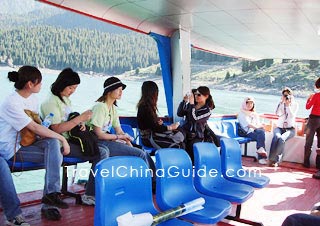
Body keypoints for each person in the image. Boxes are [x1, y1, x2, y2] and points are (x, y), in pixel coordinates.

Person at [0, 66, 70, 225]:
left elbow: (38, 127)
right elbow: (34, 127)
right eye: (39, 82)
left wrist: (54, 137)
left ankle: (51, 194)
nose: (41, 85)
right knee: (55, 147)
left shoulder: (32, 99)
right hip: (9, 149)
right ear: (30, 84)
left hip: (25, 144)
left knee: (52, 144)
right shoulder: (11, 102)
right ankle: (17, 215)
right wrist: (63, 139)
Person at [40, 68, 109, 205]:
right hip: (59, 143)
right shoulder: (51, 102)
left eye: (75, 88)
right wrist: (78, 119)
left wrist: (80, 123)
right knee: (101, 152)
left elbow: (68, 121)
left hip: (70, 140)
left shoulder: (65, 100)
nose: (72, 91)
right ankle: (90, 195)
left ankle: (91, 193)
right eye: (70, 87)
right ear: (62, 84)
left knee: (102, 151)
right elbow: (56, 128)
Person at [88, 77, 155, 171]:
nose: (121, 92)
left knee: (140, 151)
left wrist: (128, 143)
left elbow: (119, 131)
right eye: (118, 89)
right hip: (97, 142)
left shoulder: (113, 109)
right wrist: (118, 137)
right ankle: (149, 182)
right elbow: (98, 134)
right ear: (109, 91)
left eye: (121, 90)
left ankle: (148, 180)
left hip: (107, 141)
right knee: (140, 154)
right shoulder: (100, 107)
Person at [137, 81, 184, 149]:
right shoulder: (145, 107)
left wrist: (157, 123)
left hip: (150, 135)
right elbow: (155, 128)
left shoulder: (146, 106)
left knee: (180, 135)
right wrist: (170, 127)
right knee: (178, 145)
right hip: (149, 138)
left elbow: (150, 124)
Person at [177, 86, 214, 162]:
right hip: (185, 134)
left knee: (192, 158)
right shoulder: (192, 105)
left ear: (206, 96)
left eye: (199, 95)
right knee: (182, 156)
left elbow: (194, 119)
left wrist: (191, 105)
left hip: (196, 136)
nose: (196, 96)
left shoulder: (207, 111)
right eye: (195, 94)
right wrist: (184, 101)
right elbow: (180, 113)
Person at [268, 88, 299, 167]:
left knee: (282, 139)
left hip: (290, 129)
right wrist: (282, 103)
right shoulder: (281, 104)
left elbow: (292, 116)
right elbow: (277, 113)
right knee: (276, 137)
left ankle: (277, 161)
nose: (286, 97)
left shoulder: (295, 104)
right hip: (279, 127)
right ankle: (271, 159)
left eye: (288, 95)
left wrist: (288, 106)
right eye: (284, 95)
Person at [238, 97, 268, 165]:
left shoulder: (254, 114)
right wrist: (259, 127)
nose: (249, 105)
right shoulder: (242, 113)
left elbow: (257, 123)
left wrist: (261, 125)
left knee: (261, 132)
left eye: (251, 103)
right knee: (261, 132)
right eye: (247, 103)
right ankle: (261, 155)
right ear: (244, 104)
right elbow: (249, 125)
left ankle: (260, 150)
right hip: (246, 133)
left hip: (254, 131)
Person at [304, 77, 320, 179]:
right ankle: (318, 165)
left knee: (308, 142)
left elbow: (308, 107)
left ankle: (306, 163)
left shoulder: (316, 95)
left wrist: (308, 99)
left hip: (313, 120)